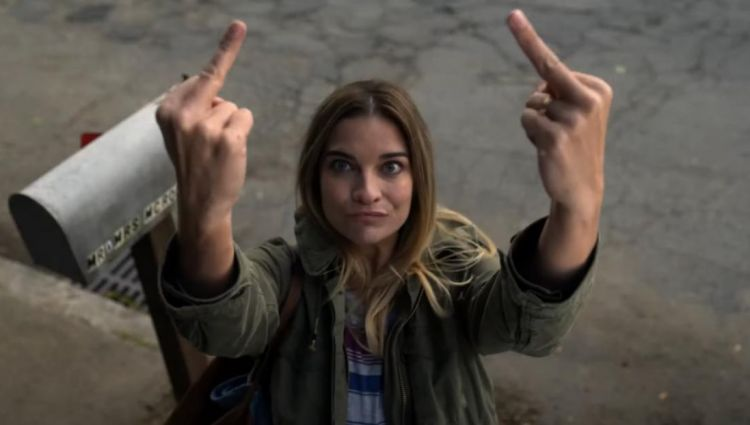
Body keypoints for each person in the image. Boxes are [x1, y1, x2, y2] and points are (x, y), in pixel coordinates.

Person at [155, 8, 612, 425]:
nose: (367, 192)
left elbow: (530, 329)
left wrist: (579, 205)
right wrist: (206, 212)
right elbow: (223, 327)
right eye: (342, 165)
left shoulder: (455, 271)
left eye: (391, 167)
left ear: (419, 178)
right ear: (315, 177)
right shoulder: (286, 276)